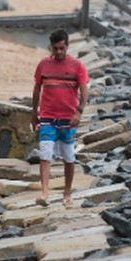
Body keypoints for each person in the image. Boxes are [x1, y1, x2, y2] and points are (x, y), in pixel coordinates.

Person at [31, 29, 89, 207]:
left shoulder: (77, 66)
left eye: (62, 48)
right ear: (51, 47)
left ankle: (67, 193)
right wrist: (34, 113)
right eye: (55, 48)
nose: (58, 52)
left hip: (68, 118)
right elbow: (37, 89)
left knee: (69, 157)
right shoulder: (43, 65)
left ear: (67, 46)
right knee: (45, 154)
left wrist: (79, 112)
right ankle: (45, 193)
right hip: (47, 116)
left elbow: (84, 90)